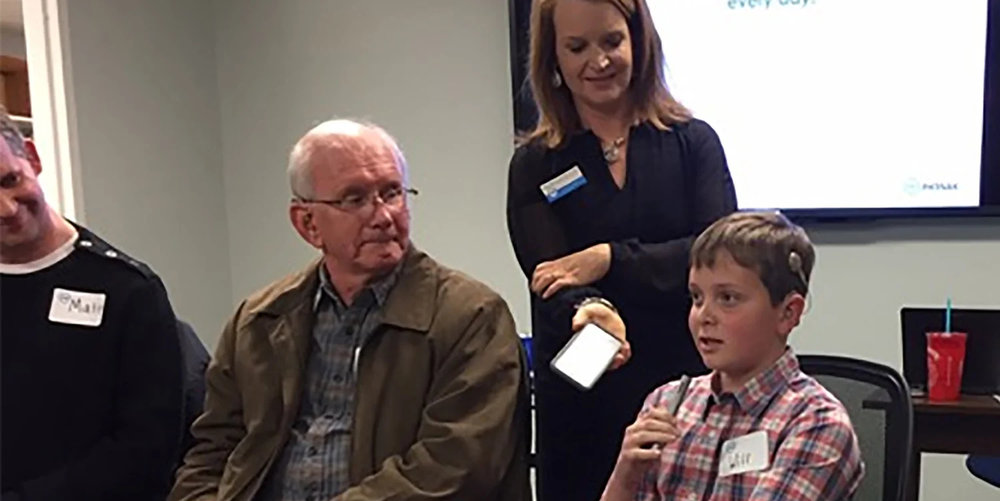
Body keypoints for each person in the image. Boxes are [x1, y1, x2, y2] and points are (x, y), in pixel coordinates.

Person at [169, 119, 532, 501]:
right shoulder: (258, 322)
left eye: (392, 193)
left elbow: (453, 468)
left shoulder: (472, 317)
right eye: (355, 199)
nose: (383, 216)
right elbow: (209, 457)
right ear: (307, 223)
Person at [505, 0, 738, 499]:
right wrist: (592, 306)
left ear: (639, 40)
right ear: (553, 58)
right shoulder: (536, 164)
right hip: (584, 392)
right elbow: (550, 276)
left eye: (612, 41)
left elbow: (717, 257)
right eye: (577, 47)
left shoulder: (693, 144)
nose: (599, 61)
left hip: (684, 386)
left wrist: (609, 257)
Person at [601, 211, 864, 501]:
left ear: (788, 313)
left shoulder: (817, 423)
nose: (704, 316)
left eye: (727, 298)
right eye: (696, 297)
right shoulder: (667, 403)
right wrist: (624, 478)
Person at [0, 106, 185, 500]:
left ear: (32, 157)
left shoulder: (127, 290)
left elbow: (146, 451)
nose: (7, 209)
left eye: (10, 180)